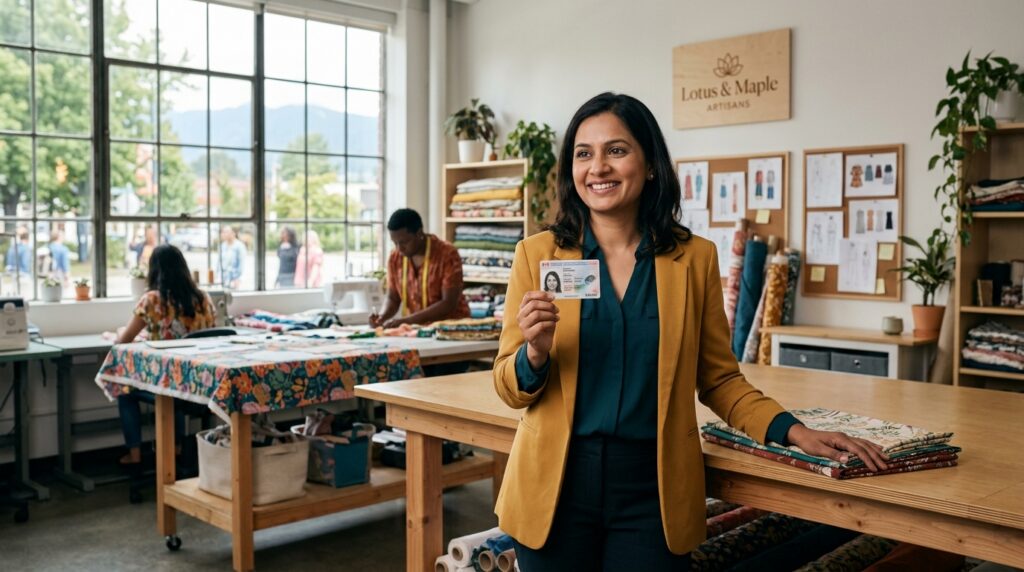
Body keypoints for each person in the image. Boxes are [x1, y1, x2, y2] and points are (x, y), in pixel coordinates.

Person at [493, 93, 889, 570]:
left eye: (616, 150)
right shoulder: (537, 256)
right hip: (553, 487)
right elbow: (508, 387)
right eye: (584, 153)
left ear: (651, 164)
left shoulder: (694, 259)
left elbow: (720, 380)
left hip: (651, 490)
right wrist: (534, 354)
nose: (598, 167)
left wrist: (795, 431)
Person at [115, 245, 216, 466]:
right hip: (202, 384)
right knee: (175, 386)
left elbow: (123, 342)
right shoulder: (203, 299)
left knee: (125, 390)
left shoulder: (152, 300)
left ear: (154, 270)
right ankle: (176, 449)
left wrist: (118, 333)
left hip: (171, 385)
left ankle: (135, 456)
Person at [369, 208, 470, 328]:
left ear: (419, 233)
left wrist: (406, 321)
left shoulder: (447, 254)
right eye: (395, 243)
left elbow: (448, 303)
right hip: (417, 330)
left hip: (452, 329)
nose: (399, 248)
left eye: (404, 242)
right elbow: (393, 297)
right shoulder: (395, 258)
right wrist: (382, 316)